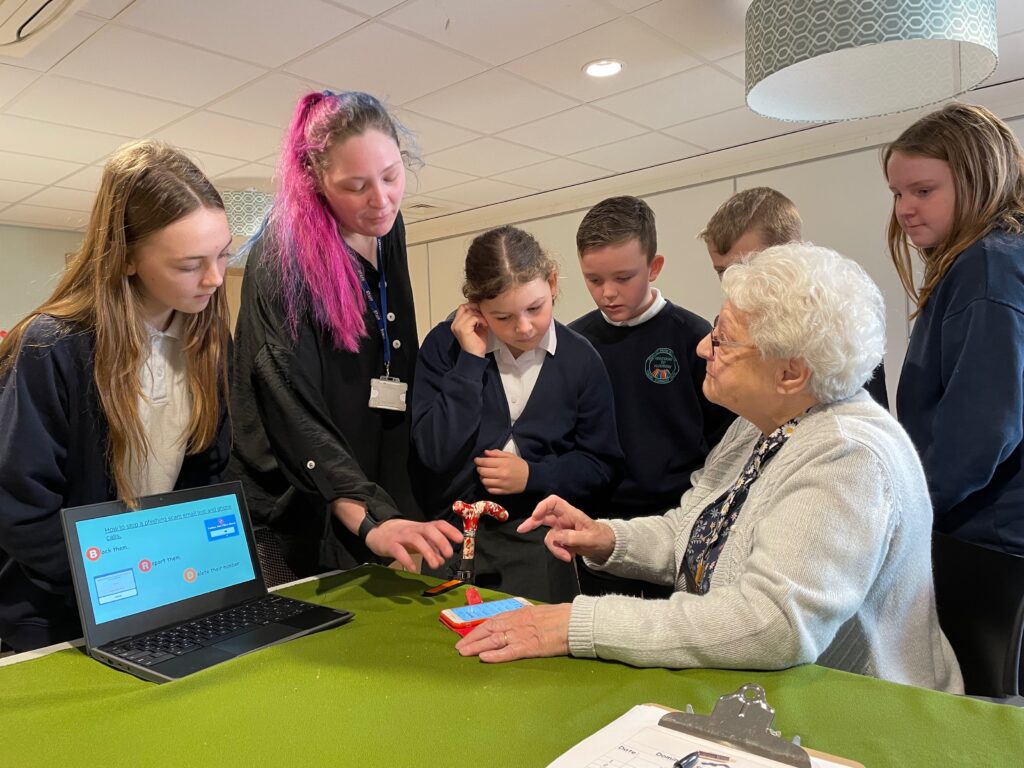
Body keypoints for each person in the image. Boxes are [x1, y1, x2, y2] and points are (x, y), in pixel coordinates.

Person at [456, 243, 963, 694]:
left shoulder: (849, 456)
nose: (703, 348)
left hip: (864, 711)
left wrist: (577, 624)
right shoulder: (761, 422)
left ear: (790, 371)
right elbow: (695, 530)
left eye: (723, 340)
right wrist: (608, 539)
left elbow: (772, 625)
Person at [0, 140, 233, 652]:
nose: (215, 279)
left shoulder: (207, 337)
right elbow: (21, 511)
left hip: (164, 588)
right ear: (126, 259)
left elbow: (207, 477)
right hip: (58, 610)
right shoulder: (52, 346)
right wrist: (129, 584)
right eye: (190, 264)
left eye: (224, 254)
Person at [231, 91, 461, 584]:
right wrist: (362, 510)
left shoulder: (386, 228)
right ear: (315, 180)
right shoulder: (283, 254)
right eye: (356, 186)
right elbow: (289, 402)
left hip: (367, 485)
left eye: (392, 176)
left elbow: (393, 361)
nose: (380, 200)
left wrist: (389, 504)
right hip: (297, 504)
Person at [411, 225, 622, 603]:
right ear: (474, 307)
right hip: (454, 541)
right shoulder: (445, 348)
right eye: (503, 317)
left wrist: (532, 476)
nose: (524, 328)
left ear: (553, 283)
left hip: (538, 546)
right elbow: (432, 452)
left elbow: (601, 465)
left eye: (535, 308)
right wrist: (470, 362)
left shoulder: (582, 360)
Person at [569, 196, 733, 597]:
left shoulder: (696, 340)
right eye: (593, 280)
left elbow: (725, 446)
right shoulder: (572, 344)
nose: (607, 292)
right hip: (596, 533)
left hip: (675, 532)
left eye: (623, 278)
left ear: (654, 267)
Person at [884, 102, 1024, 555]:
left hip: (992, 536)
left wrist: (906, 513)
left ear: (978, 179)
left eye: (923, 191)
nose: (905, 209)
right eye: (897, 193)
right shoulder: (997, 258)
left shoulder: (986, 266)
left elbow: (981, 429)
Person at [700, 186, 889, 409]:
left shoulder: (842, 328)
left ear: (791, 251)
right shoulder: (728, 331)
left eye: (746, 266)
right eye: (722, 271)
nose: (732, 281)